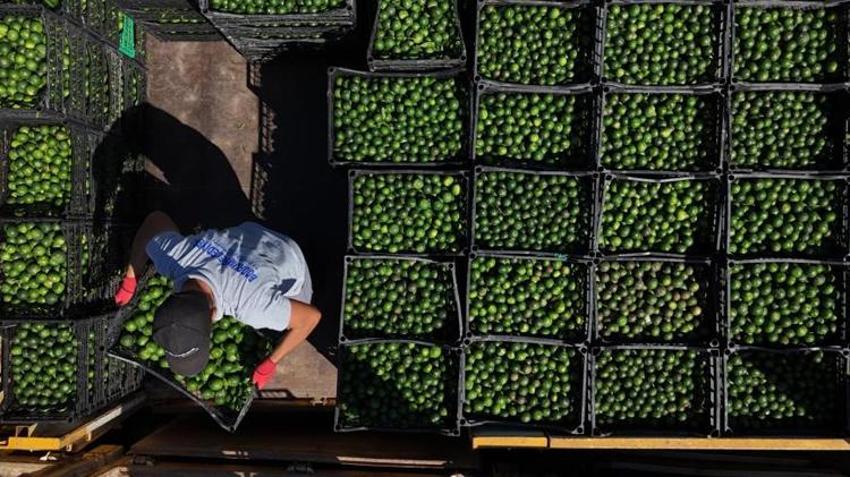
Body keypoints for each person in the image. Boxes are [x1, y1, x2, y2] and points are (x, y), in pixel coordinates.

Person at [114, 211, 321, 390]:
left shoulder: (253, 307)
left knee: (292, 316)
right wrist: (132, 275)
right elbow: (155, 221)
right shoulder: (175, 258)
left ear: (213, 315)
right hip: (251, 234)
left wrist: (271, 361)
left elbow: (310, 318)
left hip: (290, 258)